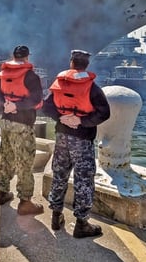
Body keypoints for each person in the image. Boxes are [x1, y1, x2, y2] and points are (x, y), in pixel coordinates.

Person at [42, 50, 110, 238]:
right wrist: (81, 121)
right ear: (86, 65)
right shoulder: (93, 87)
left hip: (62, 136)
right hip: (82, 138)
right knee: (84, 180)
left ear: (71, 62)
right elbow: (104, 113)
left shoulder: (59, 83)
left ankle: (56, 216)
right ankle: (81, 224)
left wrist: (62, 118)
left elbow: (46, 106)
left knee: (59, 174)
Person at [0, 45, 44, 215]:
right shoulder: (31, 76)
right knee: (25, 162)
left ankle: (2, 192)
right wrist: (18, 106)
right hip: (23, 125)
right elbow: (36, 99)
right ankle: (25, 201)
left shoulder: (4, 74)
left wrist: (7, 105)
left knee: (6, 157)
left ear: (13, 56)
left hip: (6, 122)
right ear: (27, 58)